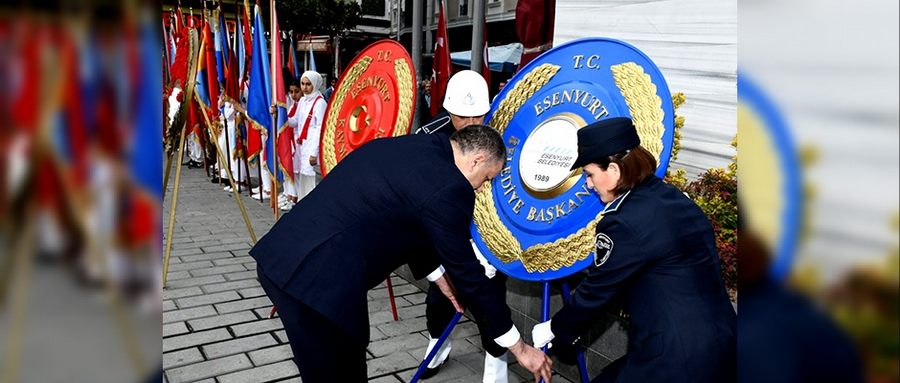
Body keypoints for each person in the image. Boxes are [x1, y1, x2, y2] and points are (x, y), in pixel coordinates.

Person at [250, 125, 553, 382]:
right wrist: (520, 348)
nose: (479, 188)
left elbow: (408, 218)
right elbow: (470, 275)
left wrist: (439, 278)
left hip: (285, 256)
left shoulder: (415, 146)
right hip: (315, 283)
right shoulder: (450, 188)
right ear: (476, 161)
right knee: (339, 370)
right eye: (486, 178)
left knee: (343, 360)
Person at [530, 117, 737, 383]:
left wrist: (556, 329)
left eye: (590, 174)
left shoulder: (621, 221)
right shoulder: (673, 198)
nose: (590, 184)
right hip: (723, 343)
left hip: (675, 357)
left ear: (614, 171)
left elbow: (598, 290)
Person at [414, 70, 510, 381]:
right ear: (448, 111)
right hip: (446, 231)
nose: (470, 125)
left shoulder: (503, 131)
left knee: (491, 302)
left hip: (489, 233)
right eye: (461, 117)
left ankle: (496, 369)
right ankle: (437, 350)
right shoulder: (429, 138)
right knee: (439, 300)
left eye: (477, 116)